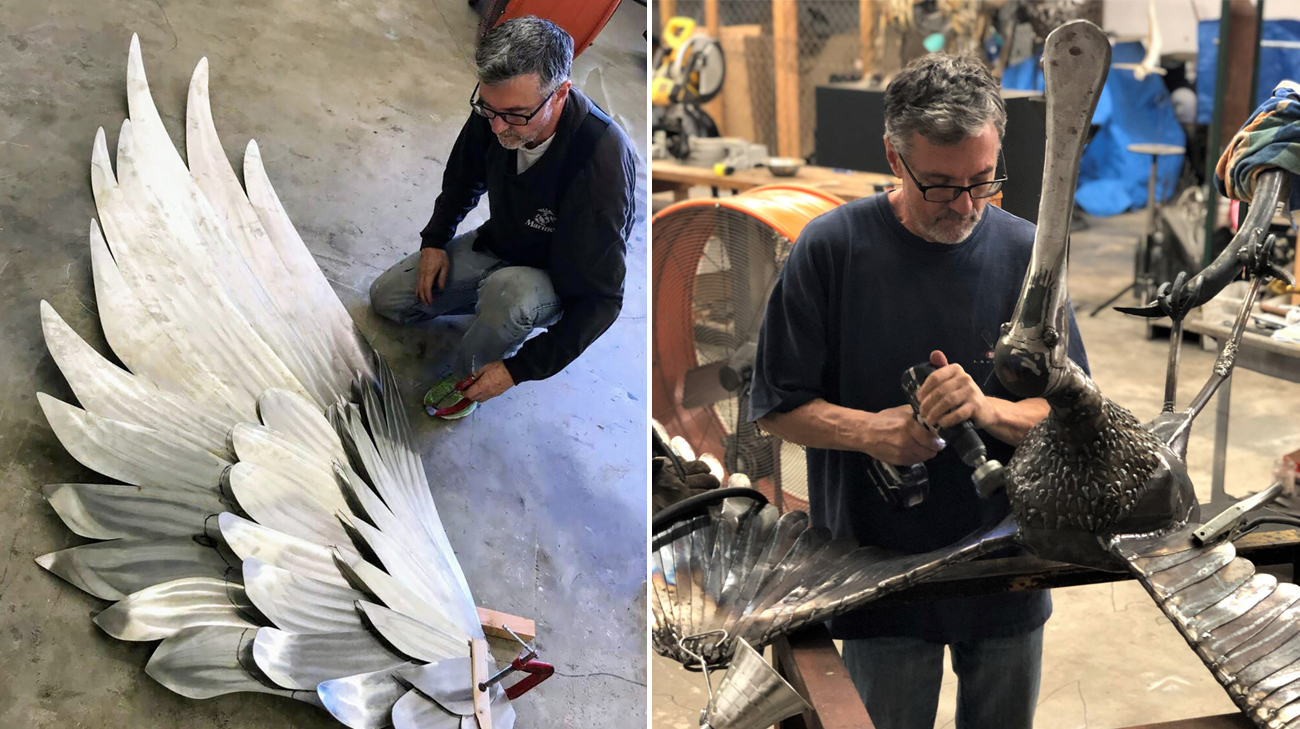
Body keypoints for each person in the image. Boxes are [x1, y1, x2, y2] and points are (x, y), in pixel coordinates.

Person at [749, 54, 1089, 729]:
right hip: (879, 573)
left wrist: (987, 408)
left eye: (982, 181)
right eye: (938, 185)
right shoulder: (831, 250)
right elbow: (776, 406)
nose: (964, 206)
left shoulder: (1026, 255)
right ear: (892, 157)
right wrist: (873, 431)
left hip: (1007, 569)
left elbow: (1071, 412)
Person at [369, 16, 636, 419]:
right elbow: (462, 177)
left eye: (514, 115)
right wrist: (435, 241)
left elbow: (602, 301)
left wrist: (518, 369)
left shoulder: (600, 165)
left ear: (561, 93)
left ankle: (470, 378)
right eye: (487, 109)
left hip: (558, 277)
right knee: (389, 299)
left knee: (510, 294)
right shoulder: (498, 109)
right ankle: (491, 312)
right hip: (504, 242)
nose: (496, 126)